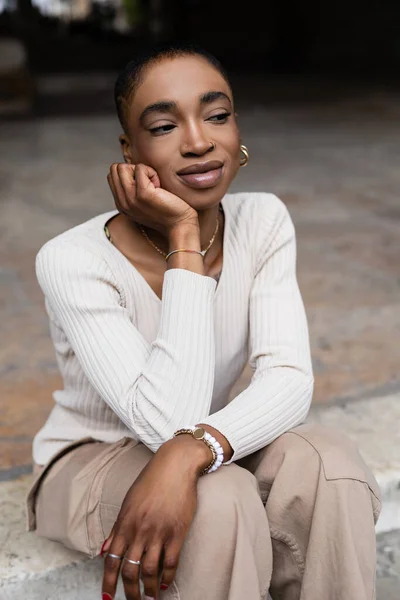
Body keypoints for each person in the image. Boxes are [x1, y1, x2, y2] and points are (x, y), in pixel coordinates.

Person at [26, 43, 381, 600]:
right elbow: (170, 418)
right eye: (165, 126)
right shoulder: (72, 260)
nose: (198, 141)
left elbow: (288, 378)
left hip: (201, 440)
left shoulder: (262, 220)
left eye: (217, 116)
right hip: (95, 456)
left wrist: (196, 449)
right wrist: (184, 240)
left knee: (328, 465)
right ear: (130, 150)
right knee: (219, 499)